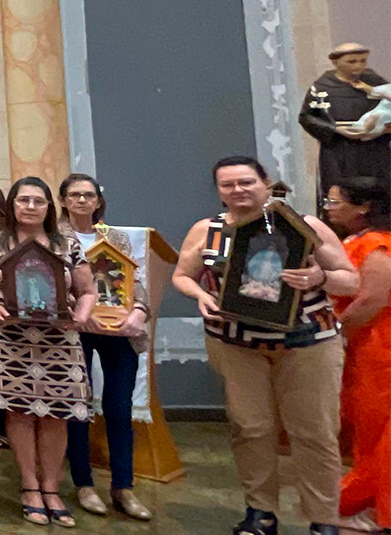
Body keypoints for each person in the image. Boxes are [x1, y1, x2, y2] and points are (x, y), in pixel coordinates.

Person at [173, 157, 358, 535]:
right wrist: (200, 296)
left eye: (246, 182)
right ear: (219, 190)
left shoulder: (305, 225)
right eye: (228, 185)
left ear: (265, 182)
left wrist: (319, 275)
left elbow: (349, 281)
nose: (238, 190)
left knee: (315, 431)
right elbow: (182, 276)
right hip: (236, 344)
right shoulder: (206, 230)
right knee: (249, 427)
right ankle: (260, 513)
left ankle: (324, 518)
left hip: (308, 343)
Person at [0, 177, 99, 527]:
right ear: (12, 205)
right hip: (11, 340)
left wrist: (83, 315)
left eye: (38, 201)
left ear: (49, 207)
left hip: (59, 340)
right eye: (23, 200)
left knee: (57, 414)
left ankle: (52, 488)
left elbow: (87, 290)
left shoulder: (67, 244)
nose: (30, 206)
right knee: (20, 414)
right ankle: (29, 485)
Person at [58, 174, 153, 520]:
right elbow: (52, 282)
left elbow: (134, 280)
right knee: (78, 407)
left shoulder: (114, 238)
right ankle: (83, 483)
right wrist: (80, 312)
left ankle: (123, 487)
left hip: (120, 330)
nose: (82, 201)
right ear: (64, 201)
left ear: (99, 201)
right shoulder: (54, 237)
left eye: (88, 195)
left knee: (118, 407)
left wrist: (139, 311)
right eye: (74, 195)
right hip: (75, 330)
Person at [327, 178, 391, 531]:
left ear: (363, 207)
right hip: (365, 344)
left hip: (379, 346)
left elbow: (374, 298)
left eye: (335, 201)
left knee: (380, 431)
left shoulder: (375, 243)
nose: (329, 206)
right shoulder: (356, 241)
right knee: (367, 429)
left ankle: (379, 511)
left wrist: (335, 331)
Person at [300, 44, 391, 191]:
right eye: (352, 61)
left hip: (375, 151)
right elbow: (307, 118)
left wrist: (384, 129)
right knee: (341, 194)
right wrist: (335, 129)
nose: (359, 65)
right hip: (339, 152)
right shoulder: (322, 87)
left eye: (363, 61)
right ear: (336, 62)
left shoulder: (375, 83)